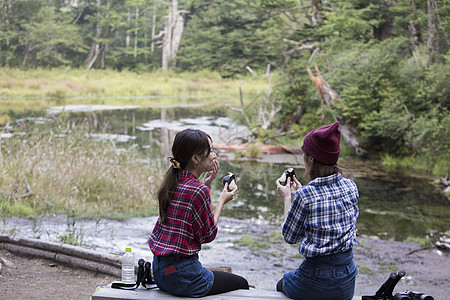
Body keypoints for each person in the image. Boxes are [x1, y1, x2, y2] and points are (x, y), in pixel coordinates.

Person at [148, 128, 249, 297]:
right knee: (241, 284)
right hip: (182, 277)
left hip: (160, 272)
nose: (214, 155)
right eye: (210, 151)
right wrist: (221, 202)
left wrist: (207, 185)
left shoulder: (171, 182)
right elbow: (208, 234)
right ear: (195, 158)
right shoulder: (197, 191)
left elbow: (194, 217)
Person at [275, 121, 359, 300]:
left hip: (316, 279)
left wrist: (288, 198)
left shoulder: (306, 195)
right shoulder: (351, 186)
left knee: (282, 283)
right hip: (347, 282)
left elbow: (290, 237)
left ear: (311, 159)